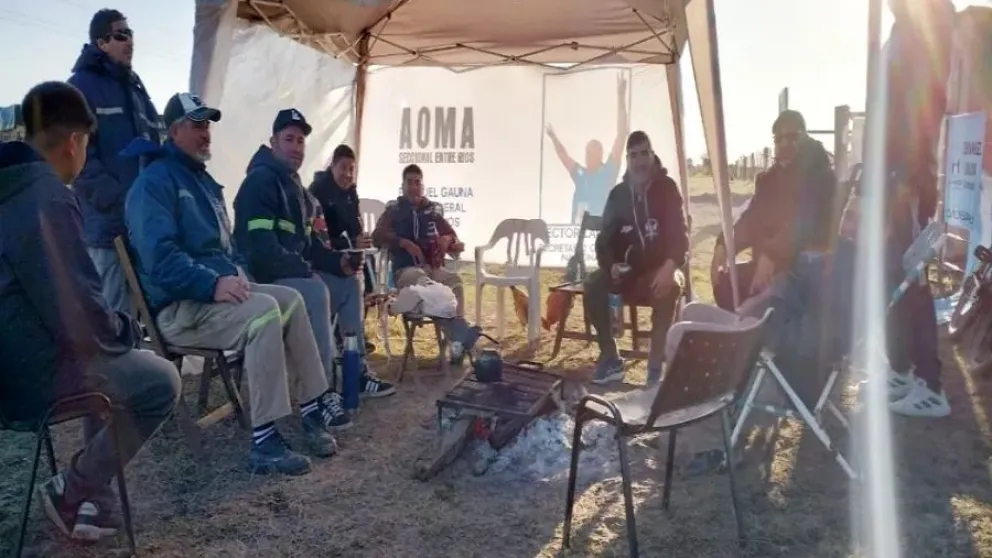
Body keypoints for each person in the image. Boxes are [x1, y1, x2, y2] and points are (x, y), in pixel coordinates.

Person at [0, 81, 179, 541]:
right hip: (31, 379)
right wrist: (127, 330)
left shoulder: (10, 187)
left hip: (10, 370)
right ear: (74, 141)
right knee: (159, 382)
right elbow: (81, 319)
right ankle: (72, 489)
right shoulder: (48, 195)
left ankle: (91, 502)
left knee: (111, 366)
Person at [125, 93, 339, 475]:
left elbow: (228, 248)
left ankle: (312, 407)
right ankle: (265, 442)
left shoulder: (203, 183)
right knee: (264, 312)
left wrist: (238, 272)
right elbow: (160, 258)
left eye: (208, 124)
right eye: (197, 124)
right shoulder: (153, 183)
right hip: (180, 308)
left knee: (292, 299)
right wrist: (212, 283)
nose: (206, 132)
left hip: (213, 297)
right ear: (174, 131)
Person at [233, 108, 395, 416]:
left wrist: (338, 262)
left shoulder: (295, 188)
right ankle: (318, 393)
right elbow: (259, 250)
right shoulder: (260, 182)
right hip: (262, 282)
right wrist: (307, 270)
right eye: (289, 139)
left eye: (300, 141)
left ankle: (356, 371)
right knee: (315, 290)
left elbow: (310, 245)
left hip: (290, 275)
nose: (296, 147)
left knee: (349, 283)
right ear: (273, 142)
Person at [67, 9, 160, 314]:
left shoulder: (136, 89)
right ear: (101, 43)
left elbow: (153, 146)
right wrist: (119, 200)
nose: (129, 41)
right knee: (111, 317)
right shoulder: (81, 86)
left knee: (143, 316)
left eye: (130, 34)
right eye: (120, 35)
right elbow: (78, 159)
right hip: (107, 230)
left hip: (141, 225)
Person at [586, 131, 688, 385]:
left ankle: (654, 370)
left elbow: (680, 236)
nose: (640, 161)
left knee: (669, 287)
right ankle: (611, 358)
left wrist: (670, 267)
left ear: (652, 155)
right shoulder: (618, 194)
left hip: (660, 270)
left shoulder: (667, 189)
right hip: (627, 275)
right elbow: (604, 242)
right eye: (633, 156)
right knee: (594, 285)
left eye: (644, 154)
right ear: (628, 160)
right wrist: (611, 266)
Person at [710, 110, 836, 311]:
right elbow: (751, 220)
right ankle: (750, 326)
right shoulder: (768, 181)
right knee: (725, 284)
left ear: (805, 137)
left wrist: (771, 255)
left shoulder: (821, 177)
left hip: (804, 271)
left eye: (792, 137)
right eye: (778, 139)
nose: (784, 144)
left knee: (767, 300)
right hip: (770, 266)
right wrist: (724, 245)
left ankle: (760, 323)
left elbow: (802, 223)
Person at [372, 164, 481, 361]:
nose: (414, 187)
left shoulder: (431, 212)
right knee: (424, 283)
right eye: (410, 182)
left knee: (455, 282)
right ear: (403, 186)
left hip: (433, 268)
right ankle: (459, 335)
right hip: (407, 271)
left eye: (417, 183)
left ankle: (456, 345)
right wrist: (403, 242)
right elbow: (377, 236)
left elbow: (453, 238)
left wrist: (448, 239)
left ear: (422, 186)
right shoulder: (393, 211)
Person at [309, 144, 378, 353]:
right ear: (332, 166)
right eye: (343, 168)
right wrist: (349, 244)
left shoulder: (350, 192)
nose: (348, 174)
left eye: (351, 169)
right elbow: (318, 238)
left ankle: (354, 330)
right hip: (324, 257)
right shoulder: (317, 191)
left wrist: (360, 239)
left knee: (365, 262)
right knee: (354, 275)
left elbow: (355, 226)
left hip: (346, 252)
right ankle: (345, 336)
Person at [546, 73, 629, 223]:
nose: (587, 156)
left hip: (601, 231)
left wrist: (621, 96)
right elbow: (563, 156)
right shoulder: (580, 174)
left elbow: (622, 135)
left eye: (591, 152)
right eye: (587, 152)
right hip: (578, 231)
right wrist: (553, 138)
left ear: (600, 154)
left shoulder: (608, 172)